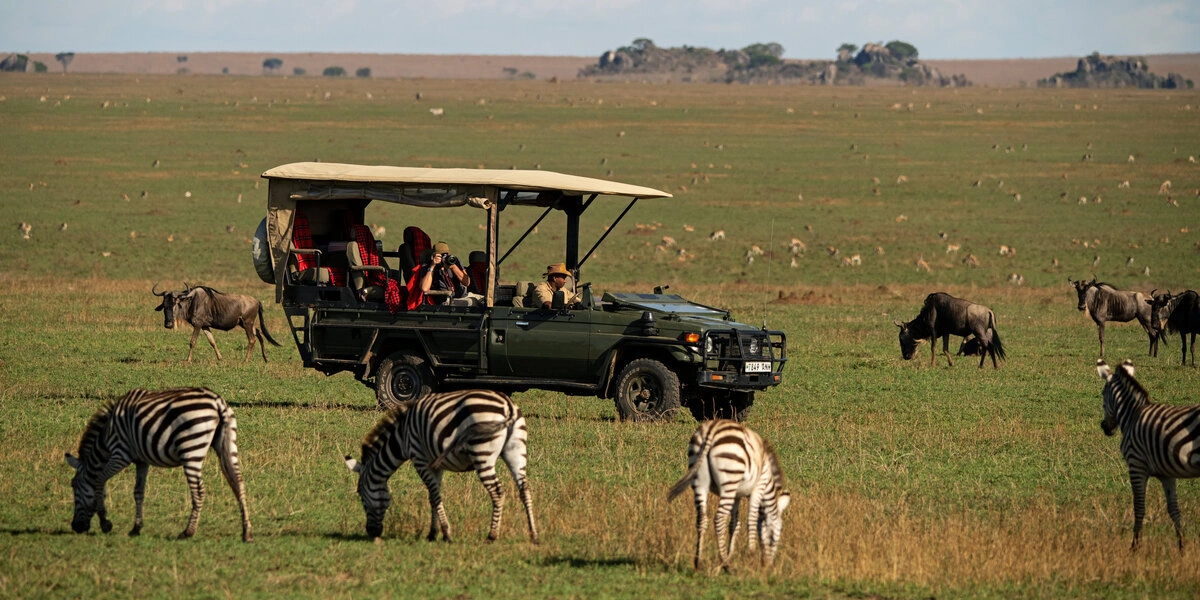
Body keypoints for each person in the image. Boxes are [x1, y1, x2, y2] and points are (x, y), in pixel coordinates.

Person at [414, 241, 470, 306]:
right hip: (444, 299)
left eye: (446, 255)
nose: (444, 258)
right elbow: (424, 288)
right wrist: (432, 266)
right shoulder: (428, 265)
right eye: (442, 256)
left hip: (460, 296)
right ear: (434, 256)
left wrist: (453, 267)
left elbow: (467, 282)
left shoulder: (454, 261)